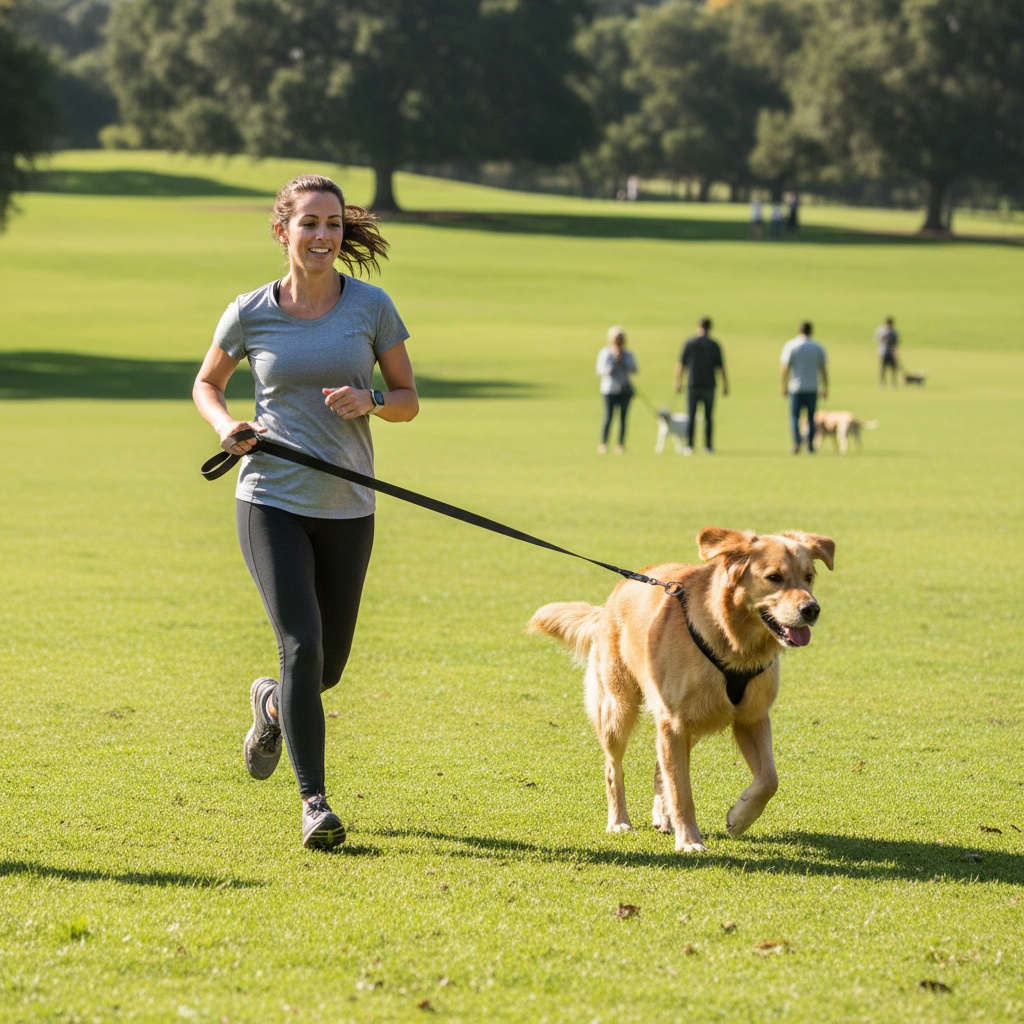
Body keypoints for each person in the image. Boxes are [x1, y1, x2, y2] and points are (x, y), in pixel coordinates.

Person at [192, 174, 419, 850]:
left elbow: (407, 398)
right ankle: (314, 803)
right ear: (282, 230)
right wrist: (226, 426)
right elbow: (207, 383)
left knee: (327, 668)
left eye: (332, 224)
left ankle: (271, 702)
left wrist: (371, 401)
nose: (323, 235)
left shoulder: (372, 307)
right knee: (301, 644)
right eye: (309, 223)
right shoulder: (249, 311)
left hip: (348, 504)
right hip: (270, 498)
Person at [674, 316, 729, 454]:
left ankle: (690, 446)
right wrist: (725, 385)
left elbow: (681, 365)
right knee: (708, 417)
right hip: (709, 385)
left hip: (693, 385)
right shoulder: (714, 345)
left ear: (698, 326)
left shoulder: (690, 343)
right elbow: (721, 368)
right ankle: (708, 446)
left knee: (692, 416)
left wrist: (678, 382)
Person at [780, 321, 828, 454]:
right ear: (811, 331)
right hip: (812, 387)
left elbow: (785, 367)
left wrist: (783, 385)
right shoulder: (817, 347)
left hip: (795, 387)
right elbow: (823, 369)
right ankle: (810, 446)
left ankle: (797, 443)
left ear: (798, 330)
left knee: (795, 417)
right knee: (811, 418)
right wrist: (825, 387)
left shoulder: (791, 346)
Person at [596, 325, 638, 454]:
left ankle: (620, 444)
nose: (618, 341)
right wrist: (614, 362)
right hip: (610, 389)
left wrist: (624, 362)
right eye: (616, 338)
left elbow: (634, 369)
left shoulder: (628, 354)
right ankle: (604, 443)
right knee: (608, 417)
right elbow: (601, 370)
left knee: (623, 418)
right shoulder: (606, 353)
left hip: (625, 389)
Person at [875, 316, 900, 387]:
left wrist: (895, 353)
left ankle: (893, 383)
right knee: (883, 368)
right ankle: (882, 383)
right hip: (883, 352)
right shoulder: (881, 330)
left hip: (891, 352)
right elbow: (877, 339)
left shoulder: (894, 332)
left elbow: (895, 343)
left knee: (893, 369)